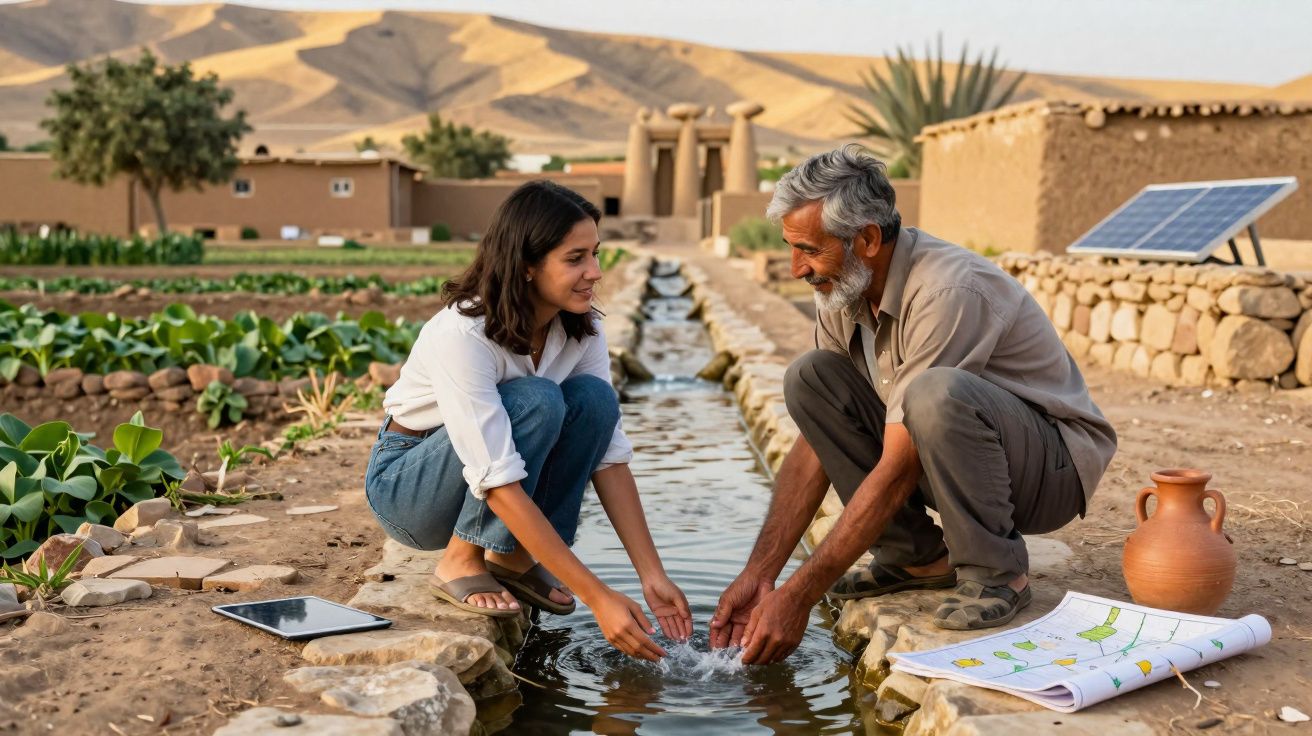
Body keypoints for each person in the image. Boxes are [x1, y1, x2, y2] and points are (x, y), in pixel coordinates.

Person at [710, 145, 1117, 665]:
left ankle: (998, 572)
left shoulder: (946, 289)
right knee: (810, 377)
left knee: (934, 393)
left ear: (867, 239)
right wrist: (760, 575)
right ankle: (916, 559)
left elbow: (899, 465)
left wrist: (799, 596)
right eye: (791, 248)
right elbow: (816, 446)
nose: (796, 269)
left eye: (809, 250)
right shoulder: (844, 286)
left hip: (1048, 472)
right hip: (954, 461)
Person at [366, 181, 692, 661]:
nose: (595, 271)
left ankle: (511, 558)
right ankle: (460, 560)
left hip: (477, 479)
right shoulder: (464, 332)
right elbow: (495, 477)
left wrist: (652, 575)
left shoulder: (581, 329)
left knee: (595, 400)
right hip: (410, 489)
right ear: (526, 265)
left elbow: (609, 456)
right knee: (535, 399)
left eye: (596, 254)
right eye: (576, 258)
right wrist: (599, 597)